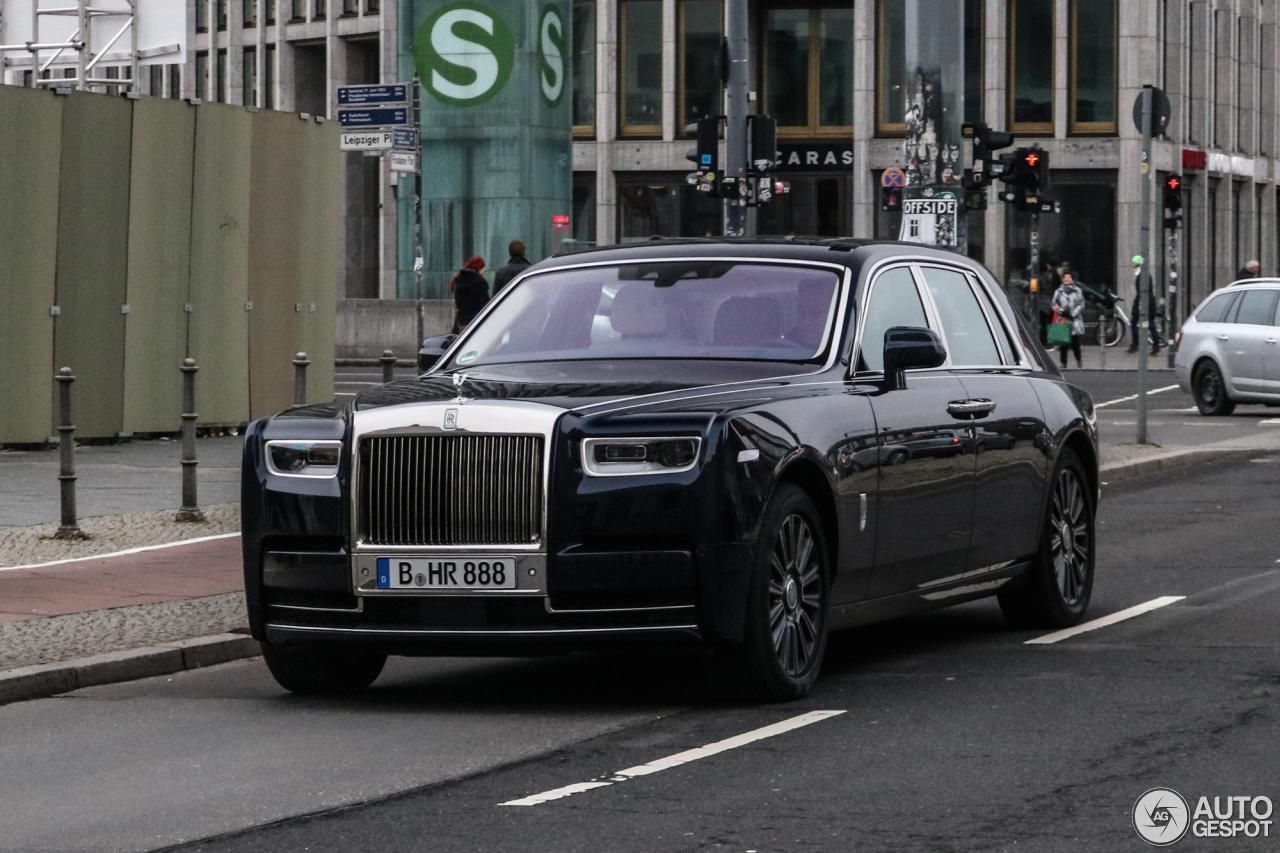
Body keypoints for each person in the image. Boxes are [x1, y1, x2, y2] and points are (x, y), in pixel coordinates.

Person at [1126, 255, 1161, 355]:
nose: (1132, 265)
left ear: (1137, 264)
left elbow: (1145, 291)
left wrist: (1141, 305)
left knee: (1145, 324)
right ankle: (1153, 345)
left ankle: (1138, 344)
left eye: (1133, 263)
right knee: (1149, 325)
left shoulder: (1143, 275)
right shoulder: (1142, 274)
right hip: (1145, 302)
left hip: (1145, 303)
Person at [1051, 271, 1085, 369]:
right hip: (1063, 319)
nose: (1067, 279)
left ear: (1072, 279)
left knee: (1075, 342)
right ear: (1062, 279)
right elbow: (1053, 304)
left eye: (1069, 277)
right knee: (1063, 342)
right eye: (1065, 278)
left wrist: (1074, 313)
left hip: (1074, 319)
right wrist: (1060, 310)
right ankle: (1063, 363)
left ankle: (1079, 360)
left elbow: (1081, 304)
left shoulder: (1078, 291)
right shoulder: (1058, 291)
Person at [450, 255, 489, 333]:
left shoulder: (458, 279)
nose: (483, 271)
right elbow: (485, 303)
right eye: (483, 268)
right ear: (479, 268)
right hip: (476, 321)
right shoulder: (480, 282)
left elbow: (458, 302)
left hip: (461, 321)